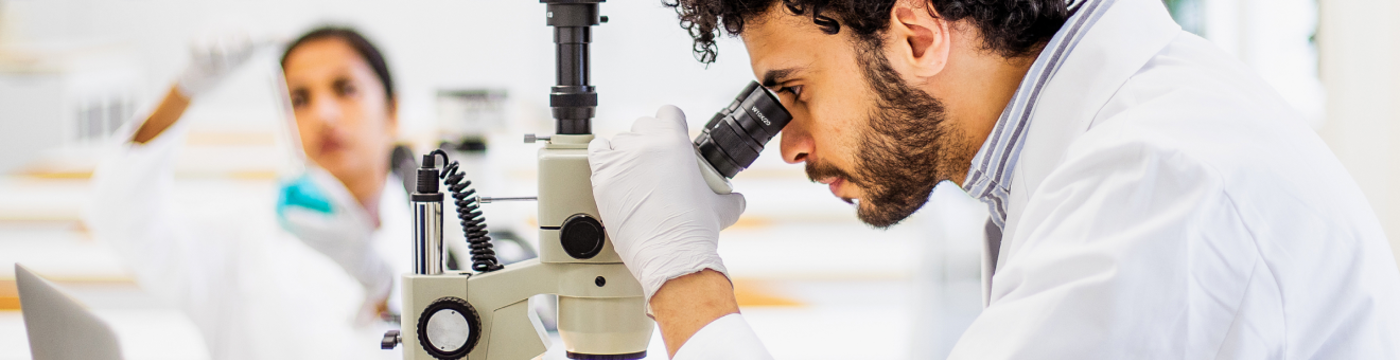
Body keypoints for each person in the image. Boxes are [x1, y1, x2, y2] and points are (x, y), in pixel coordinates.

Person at [586, 0, 1400, 359]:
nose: (788, 145)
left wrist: (683, 275)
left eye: (792, 91)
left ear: (915, 34)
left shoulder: (1157, 183)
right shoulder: (1102, 145)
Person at [86, 27, 410, 360]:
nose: (323, 115)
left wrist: (385, 290)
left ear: (392, 110)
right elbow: (120, 216)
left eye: (346, 89)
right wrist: (183, 91)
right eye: (299, 99)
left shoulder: (437, 236)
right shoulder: (246, 231)